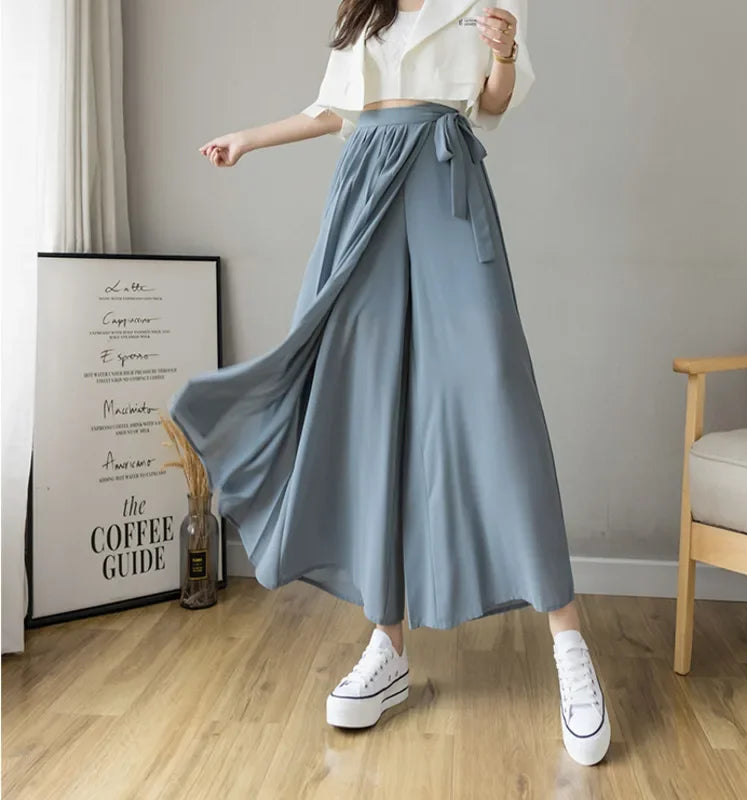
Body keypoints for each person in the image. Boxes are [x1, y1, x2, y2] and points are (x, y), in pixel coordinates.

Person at [168, 0, 610, 767]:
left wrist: (503, 52)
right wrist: (249, 140)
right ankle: (388, 645)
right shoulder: (362, 11)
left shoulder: (485, 1)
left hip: (443, 182)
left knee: (496, 405)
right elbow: (336, 112)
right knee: (368, 405)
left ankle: (569, 645)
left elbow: (495, 100)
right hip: (363, 194)